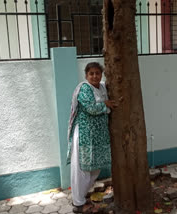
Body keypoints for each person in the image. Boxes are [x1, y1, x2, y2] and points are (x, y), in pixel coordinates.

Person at [67, 62, 116, 213]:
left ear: (101, 74)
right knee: (82, 169)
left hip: (98, 136)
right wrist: (105, 104)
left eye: (97, 73)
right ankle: (79, 204)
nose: (95, 76)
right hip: (84, 135)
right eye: (91, 73)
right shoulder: (84, 88)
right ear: (86, 75)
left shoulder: (101, 87)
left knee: (95, 169)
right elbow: (90, 108)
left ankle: (81, 196)